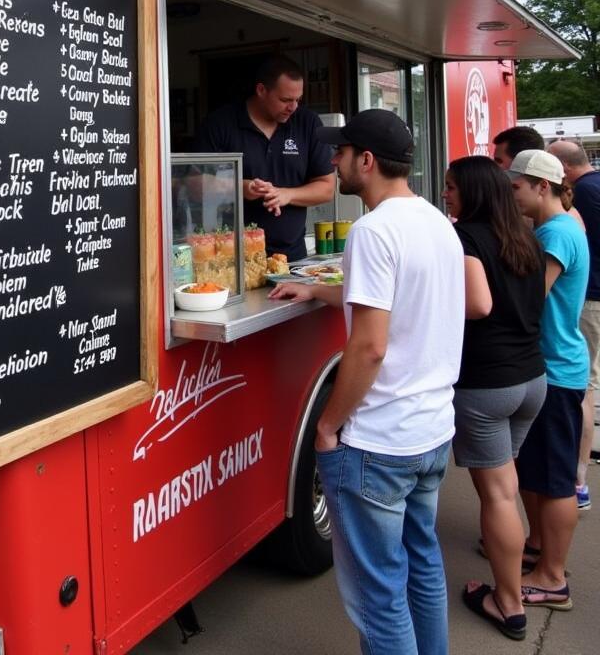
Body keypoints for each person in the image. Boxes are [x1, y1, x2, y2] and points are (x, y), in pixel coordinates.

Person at [269, 109, 464, 655]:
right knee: (422, 565)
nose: (333, 161)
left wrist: (328, 426)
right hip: (430, 434)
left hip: (381, 442)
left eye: (341, 152)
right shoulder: (434, 220)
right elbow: (395, 301)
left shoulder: (374, 231)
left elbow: (371, 346)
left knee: (379, 594)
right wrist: (317, 291)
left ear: (367, 161)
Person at [443, 157, 546, 641]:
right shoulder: (524, 235)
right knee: (505, 486)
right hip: (531, 380)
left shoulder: (467, 238)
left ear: (474, 193)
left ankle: (507, 602)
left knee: (498, 494)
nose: (446, 195)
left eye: (451, 188)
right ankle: (512, 583)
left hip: (488, 384)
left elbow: (477, 304)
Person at [507, 150, 589, 612]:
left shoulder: (555, 232)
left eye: (517, 187)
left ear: (542, 186)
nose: (511, 194)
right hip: (553, 367)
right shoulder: (555, 227)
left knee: (556, 479)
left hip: (556, 370)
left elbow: (529, 299)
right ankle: (538, 548)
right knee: (538, 470)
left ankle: (553, 578)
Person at [195, 54, 334, 261]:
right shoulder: (220, 123)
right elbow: (193, 185)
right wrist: (241, 187)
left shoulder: (308, 123)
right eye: (286, 100)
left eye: (298, 100)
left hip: (291, 258)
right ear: (261, 90)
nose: (293, 107)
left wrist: (286, 195)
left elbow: (327, 188)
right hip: (232, 258)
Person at [547, 140, 600, 511]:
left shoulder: (581, 199)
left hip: (590, 300)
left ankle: (576, 481)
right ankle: (576, 479)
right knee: (587, 385)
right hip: (591, 297)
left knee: (582, 388)